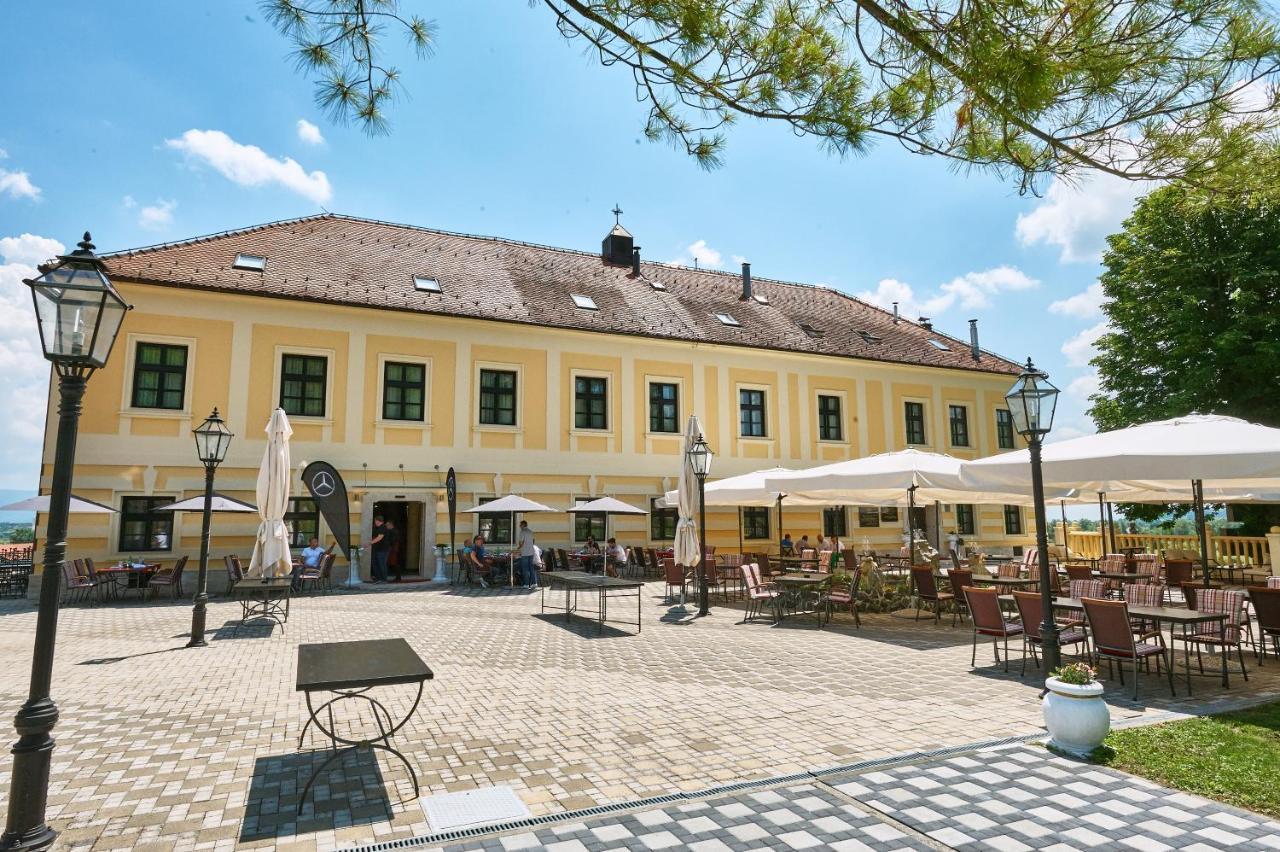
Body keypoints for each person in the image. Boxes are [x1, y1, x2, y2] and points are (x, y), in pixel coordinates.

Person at [517, 520, 537, 589]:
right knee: (531, 568)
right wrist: (530, 545)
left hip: (525, 553)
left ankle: (526, 584)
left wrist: (518, 548)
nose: (519, 526)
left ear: (523, 525)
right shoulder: (530, 531)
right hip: (531, 552)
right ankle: (534, 583)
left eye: (520, 525)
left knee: (525, 569)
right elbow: (533, 541)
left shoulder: (522, 532)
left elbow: (521, 543)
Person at [369, 515, 389, 583]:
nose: (375, 522)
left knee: (381, 564)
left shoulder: (383, 527)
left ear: (378, 521)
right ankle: (378, 578)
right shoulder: (377, 527)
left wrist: (370, 543)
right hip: (377, 549)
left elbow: (379, 537)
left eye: (375, 521)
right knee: (376, 564)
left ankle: (383, 579)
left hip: (383, 550)